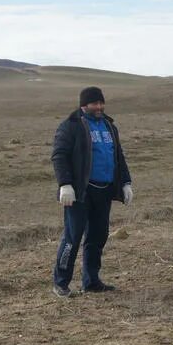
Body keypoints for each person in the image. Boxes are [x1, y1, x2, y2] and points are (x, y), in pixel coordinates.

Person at [51, 86, 132, 297]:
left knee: (98, 237)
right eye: (94, 103)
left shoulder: (109, 126)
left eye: (101, 103)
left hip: (104, 191)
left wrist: (125, 182)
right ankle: (61, 282)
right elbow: (59, 156)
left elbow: (118, 156)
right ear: (83, 105)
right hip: (79, 192)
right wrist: (65, 184)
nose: (99, 107)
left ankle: (91, 281)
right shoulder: (71, 126)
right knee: (72, 238)